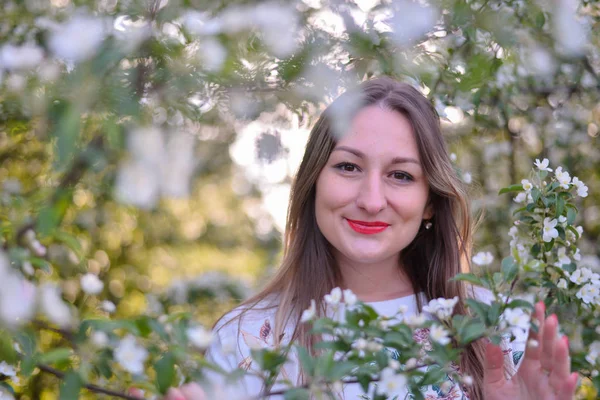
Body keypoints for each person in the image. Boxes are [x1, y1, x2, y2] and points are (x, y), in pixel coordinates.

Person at [163, 77, 577, 400]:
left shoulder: (492, 327)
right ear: (313, 182)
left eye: (401, 175)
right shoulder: (247, 338)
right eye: (348, 167)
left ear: (430, 200)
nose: (372, 200)